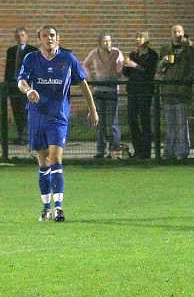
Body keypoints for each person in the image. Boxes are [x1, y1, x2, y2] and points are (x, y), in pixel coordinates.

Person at [18, 24, 99, 222]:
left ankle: (59, 208)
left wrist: (93, 109)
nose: (49, 38)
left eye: (52, 35)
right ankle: (46, 208)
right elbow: (21, 81)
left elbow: (83, 83)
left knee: (55, 159)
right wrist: (28, 91)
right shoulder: (31, 59)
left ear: (58, 38)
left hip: (58, 116)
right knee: (42, 162)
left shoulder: (67, 59)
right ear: (40, 39)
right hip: (37, 114)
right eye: (45, 36)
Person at [157, 24, 194, 160]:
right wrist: (164, 61)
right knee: (169, 124)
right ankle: (169, 151)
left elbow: (192, 70)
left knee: (181, 124)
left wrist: (184, 84)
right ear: (171, 34)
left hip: (182, 92)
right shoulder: (165, 50)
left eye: (179, 31)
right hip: (168, 92)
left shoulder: (189, 50)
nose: (177, 34)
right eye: (174, 31)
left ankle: (182, 152)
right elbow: (159, 70)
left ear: (183, 33)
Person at [82, 31, 124, 159]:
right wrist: (90, 76)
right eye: (105, 41)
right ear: (100, 43)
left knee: (113, 122)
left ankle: (114, 149)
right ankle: (100, 151)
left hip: (112, 89)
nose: (108, 43)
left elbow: (121, 66)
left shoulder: (116, 52)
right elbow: (85, 64)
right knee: (100, 122)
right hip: (99, 90)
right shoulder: (94, 53)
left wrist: (119, 71)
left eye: (109, 41)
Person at [122, 31, 158, 159]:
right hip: (132, 90)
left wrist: (135, 65)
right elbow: (126, 73)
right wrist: (125, 66)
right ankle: (137, 149)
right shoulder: (133, 54)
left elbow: (149, 72)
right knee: (132, 120)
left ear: (147, 40)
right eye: (136, 37)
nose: (138, 39)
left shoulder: (152, 55)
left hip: (145, 91)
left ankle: (146, 151)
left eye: (140, 37)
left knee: (145, 120)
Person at [4, 27, 38, 145]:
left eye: (22, 35)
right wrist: (7, 85)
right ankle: (21, 136)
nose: (20, 38)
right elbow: (8, 69)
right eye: (18, 36)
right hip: (13, 85)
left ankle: (26, 137)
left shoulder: (32, 50)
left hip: (26, 85)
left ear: (26, 36)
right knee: (16, 111)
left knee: (26, 111)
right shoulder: (11, 51)